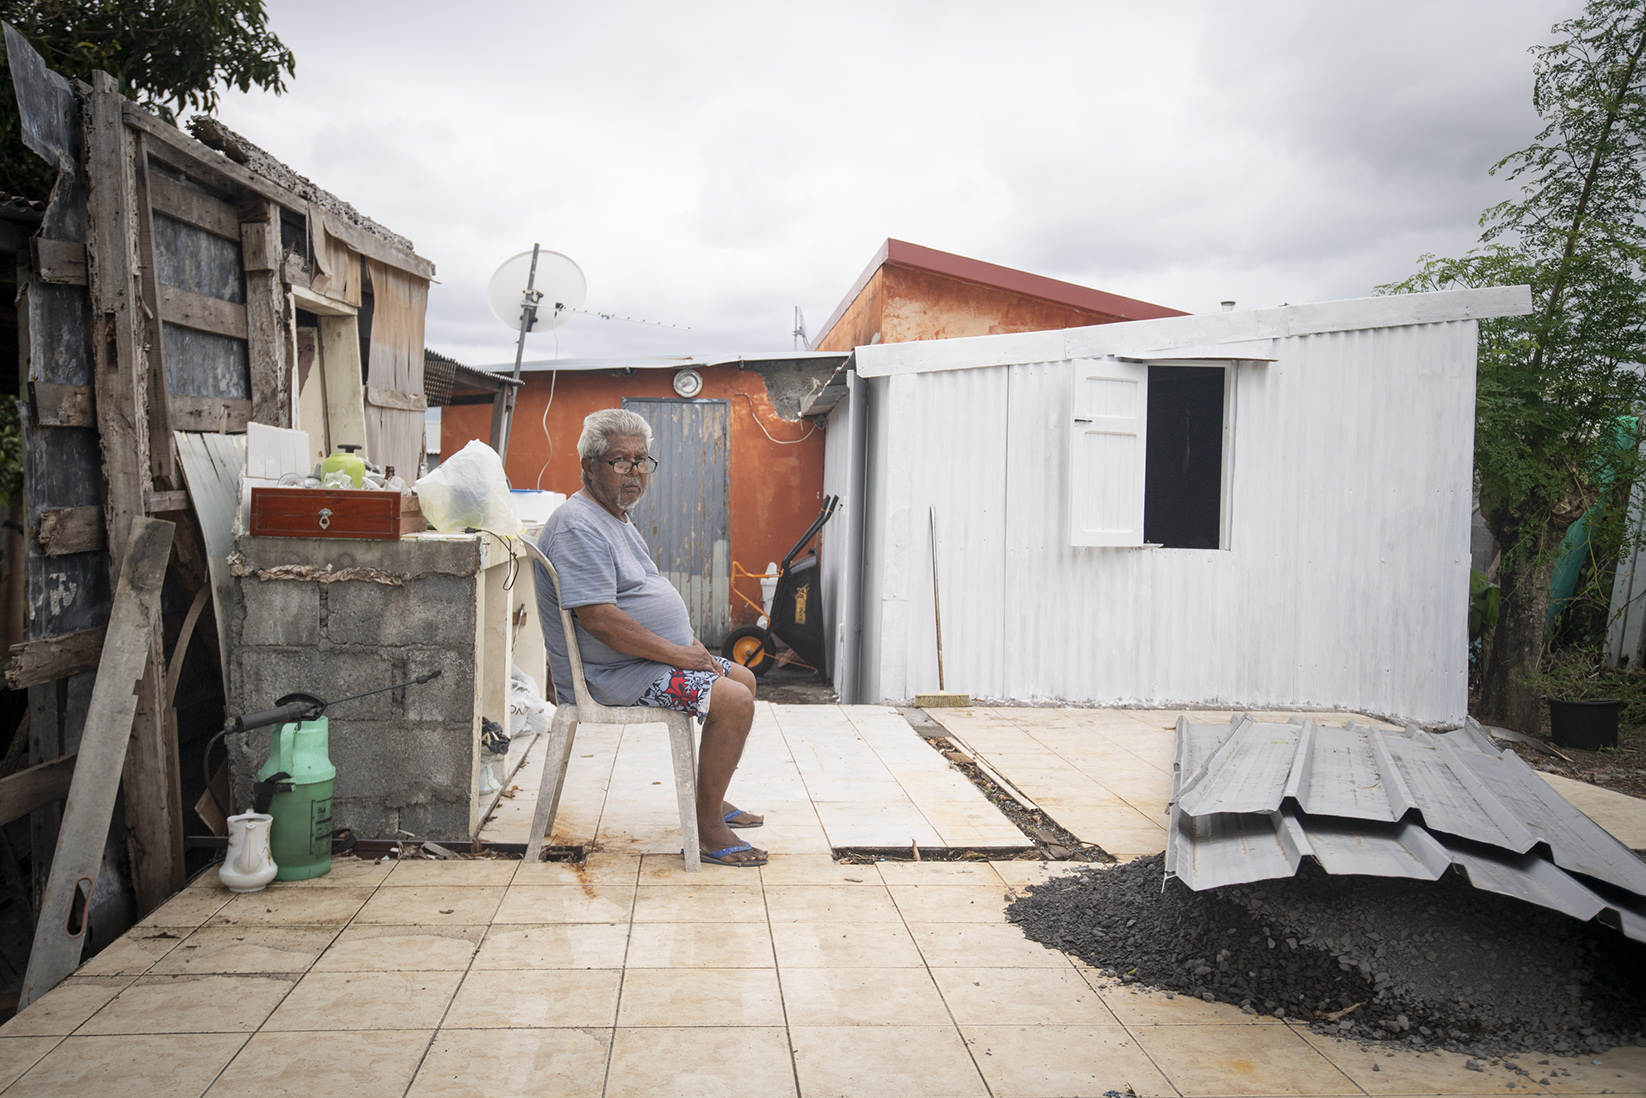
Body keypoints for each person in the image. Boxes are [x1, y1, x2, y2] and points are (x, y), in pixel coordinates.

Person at [535, 408, 766, 867]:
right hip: (613, 675)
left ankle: (709, 801)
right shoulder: (579, 525)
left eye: (642, 460)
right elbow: (600, 620)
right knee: (734, 700)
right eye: (621, 461)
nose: (635, 471)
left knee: (744, 679)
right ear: (590, 467)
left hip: (642, 663)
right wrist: (680, 653)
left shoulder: (612, 516)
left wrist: (683, 650)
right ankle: (707, 832)